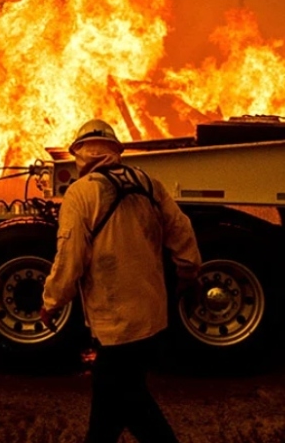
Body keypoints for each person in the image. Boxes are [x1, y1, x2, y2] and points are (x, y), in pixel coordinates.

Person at [40, 118, 202, 443]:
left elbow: (69, 257)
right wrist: (189, 274)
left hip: (117, 324)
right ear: (116, 151)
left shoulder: (81, 193)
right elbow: (182, 233)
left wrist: (51, 302)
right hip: (153, 318)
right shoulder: (149, 184)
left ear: (80, 155)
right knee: (112, 403)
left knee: (128, 400)